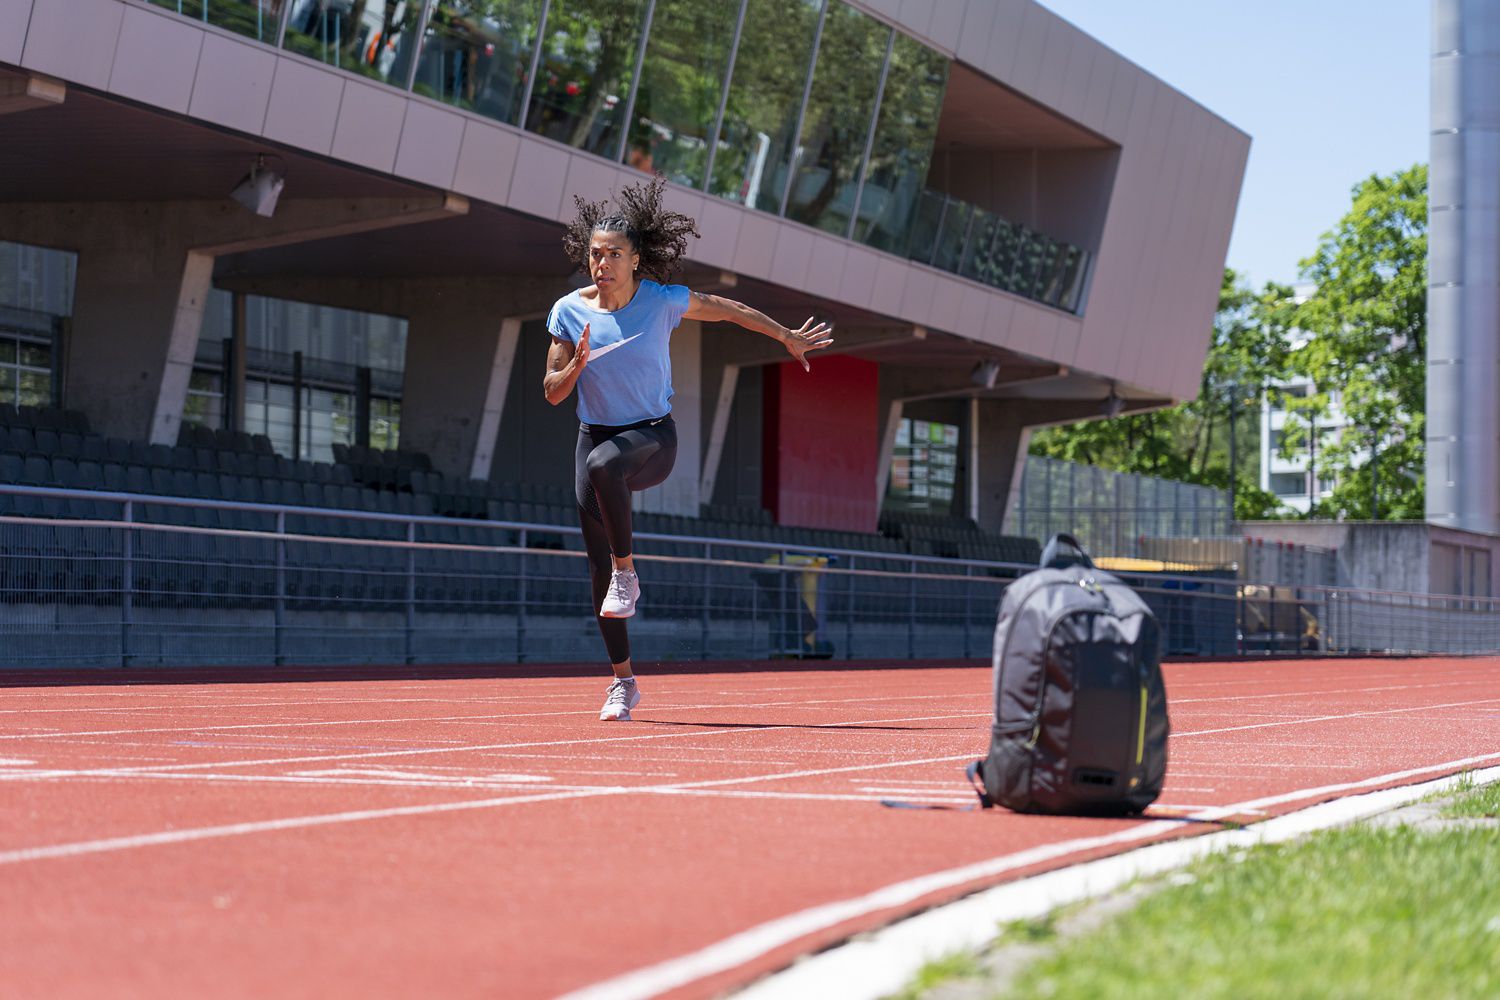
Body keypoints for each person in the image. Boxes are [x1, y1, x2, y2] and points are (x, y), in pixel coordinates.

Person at [544, 177, 833, 721]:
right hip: (593, 436)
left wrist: (785, 336)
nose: (601, 264)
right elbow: (552, 392)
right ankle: (622, 683)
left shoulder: (662, 301)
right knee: (595, 570)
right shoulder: (569, 312)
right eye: (594, 254)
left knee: (607, 475)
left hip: (653, 438)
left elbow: (727, 308)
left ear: (635, 261)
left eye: (613, 255)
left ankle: (629, 569)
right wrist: (576, 365)